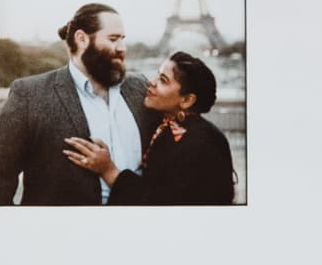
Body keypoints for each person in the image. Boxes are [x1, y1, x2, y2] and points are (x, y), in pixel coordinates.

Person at [0, 4, 149, 205]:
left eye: (123, 39)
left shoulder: (141, 87)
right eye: (113, 39)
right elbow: (0, 176)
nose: (122, 48)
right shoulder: (30, 95)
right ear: (82, 39)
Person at [63, 51, 235, 205]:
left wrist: (109, 170)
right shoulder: (171, 128)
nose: (151, 83)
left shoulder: (203, 145)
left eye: (163, 80)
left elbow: (162, 204)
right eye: (157, 76)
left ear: (187, 100)